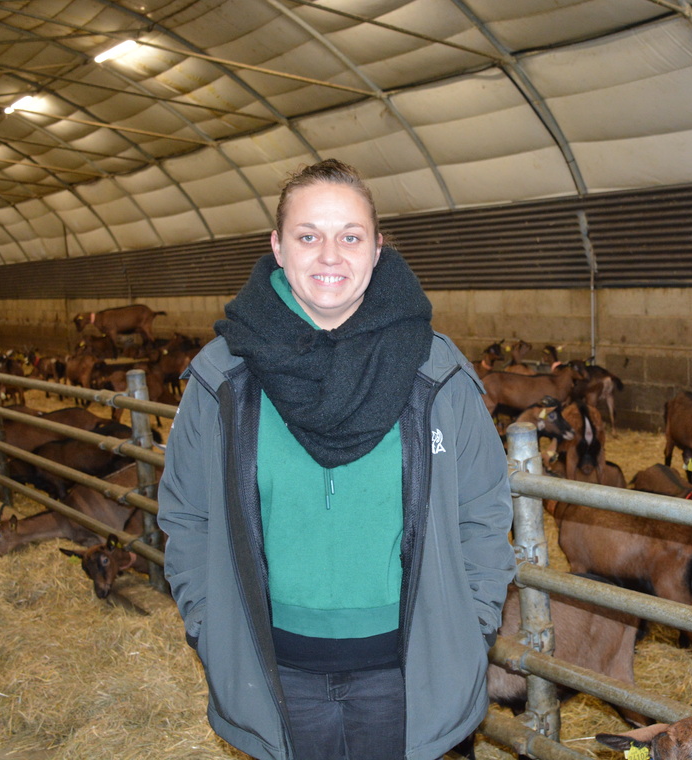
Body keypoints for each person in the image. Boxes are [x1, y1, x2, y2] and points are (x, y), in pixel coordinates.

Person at [157, 159, 515, 760]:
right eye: (308, 236)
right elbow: (186, 516)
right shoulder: (224, 378)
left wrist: (468, 629)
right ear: (277, 247)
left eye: (350, 236)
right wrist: (210, 627)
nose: (330, 255)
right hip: (272, 672)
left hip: (407, 673)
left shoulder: (436, 373)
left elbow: (482, 511)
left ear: (377, 249)